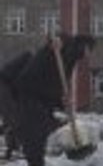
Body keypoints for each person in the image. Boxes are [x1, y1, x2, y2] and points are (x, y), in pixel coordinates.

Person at [12, 33, 95, 166]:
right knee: (35, 132)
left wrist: (63, 98)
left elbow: (60, 78)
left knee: (41, 130)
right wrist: (54, 41)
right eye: (89, 50)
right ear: (84, 46)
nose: (88, 55)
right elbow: (56, 38)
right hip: (32, 93)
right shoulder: (68, 45)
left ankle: (35, 158)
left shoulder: (72, 57)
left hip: (43, 97)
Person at [0, 49, 33, 160]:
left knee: (14, 119)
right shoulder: (29, 60)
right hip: (4, 87)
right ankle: (12, 149)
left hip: (9, 88)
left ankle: (14, 148)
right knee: (12, 120)